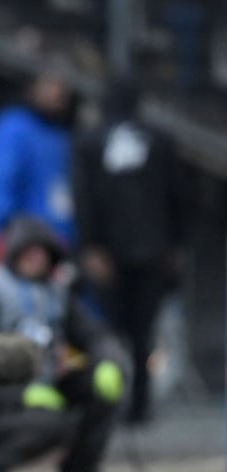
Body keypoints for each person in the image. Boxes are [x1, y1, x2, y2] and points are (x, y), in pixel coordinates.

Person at [0, 216, 128, 472]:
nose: (36, 259)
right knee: (55, 425)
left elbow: (95, 335)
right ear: (15, 252)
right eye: (29, 252)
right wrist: (19, 393)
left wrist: (110, 362)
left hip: (45, 386)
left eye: (42, 253)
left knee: (102, 389)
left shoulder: (56, 293)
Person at [72, 77, 186, 425]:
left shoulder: (89, 142)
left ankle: (109, 403)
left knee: (109, 334)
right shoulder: (161, 141)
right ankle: (139, 405)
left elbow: (84, 199)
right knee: (143, 334)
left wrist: (90, 246)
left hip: (108, 255)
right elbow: (178, 198)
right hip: (153, 253)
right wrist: (174, 246)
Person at [0, 67, 77, 246]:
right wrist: (6, 228)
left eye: (62, 85)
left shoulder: (61, 134)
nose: (59, 92)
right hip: (25, 243)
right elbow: (2, 181)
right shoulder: (14, 128)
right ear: (32, 88)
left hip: (61, 241)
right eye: (51, 84)